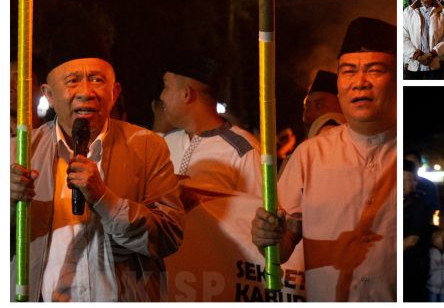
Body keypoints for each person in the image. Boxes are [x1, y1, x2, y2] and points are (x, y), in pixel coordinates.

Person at [10, 35, 184, 301]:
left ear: (114, 93)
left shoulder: (148, 147)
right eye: (72, 81)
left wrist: (105, 199)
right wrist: (9, 204)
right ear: (49, 95)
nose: (85, 91)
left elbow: (168, 236)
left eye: (97, 80)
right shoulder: (19, 152)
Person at [250, 17, 397, 301]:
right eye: (348, 71)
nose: (360, 83)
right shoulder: (310, 155)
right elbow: (282, 247)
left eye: (375, 70)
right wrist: (266, 236)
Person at [160, 53, 261, 195]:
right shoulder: (166, 142)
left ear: (186, 94)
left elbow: (259, 211)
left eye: (166, 86)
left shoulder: (243, 150)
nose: (161, 96)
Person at [403, 0, 444, 80]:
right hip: (413, 64)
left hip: (435, 63)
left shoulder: (443, 12)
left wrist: (432, 53)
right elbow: (403, 37)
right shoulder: (408, 12)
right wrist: (418, 56)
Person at [404, 159, 430, 302]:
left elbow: (412, 239)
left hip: (413, 268)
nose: (402, 183)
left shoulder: (419, 203)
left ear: (415, 182)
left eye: (407, 179)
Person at [302, 70, 345, 138]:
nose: (308, 114)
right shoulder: (305, 147)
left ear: (343, 109)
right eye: (307, 106)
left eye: (319, 105)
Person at [405, 150, 440, 222]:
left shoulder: (429, 185)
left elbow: (435, 210)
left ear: (420, 164)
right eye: (408, 162)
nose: (411, 165)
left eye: (414, 162)